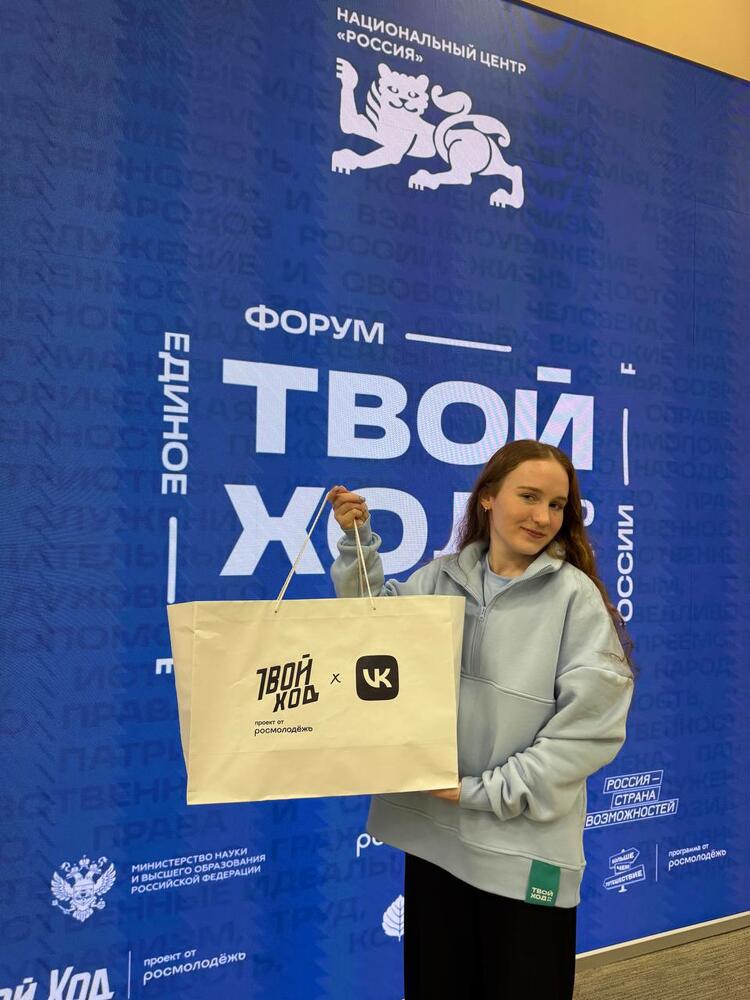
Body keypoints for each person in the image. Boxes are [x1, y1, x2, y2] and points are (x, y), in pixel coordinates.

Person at [327, 439, 635, 1000]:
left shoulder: (575, 600)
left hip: (522, 853)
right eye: (529, 497)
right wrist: (358, 545)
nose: (543, 517)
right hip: (435, 843)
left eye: (557, 505)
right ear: (488, 497)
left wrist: (479, 791)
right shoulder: (439, 578)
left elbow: (589, 732)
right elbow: (373, 630)